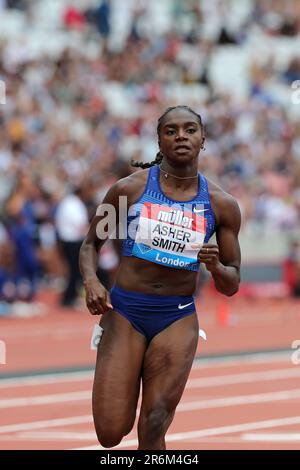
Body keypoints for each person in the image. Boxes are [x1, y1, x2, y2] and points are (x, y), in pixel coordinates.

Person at [79, 105, 241, 450]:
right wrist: (92, 281)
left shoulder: (221, 205)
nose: (181, 136)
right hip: (125, 312)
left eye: (190, 130)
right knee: (109, 433)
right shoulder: (128, 191)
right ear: (159, 140)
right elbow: (90, 244)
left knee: (154, 422)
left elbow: (232, 283)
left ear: (203, 140)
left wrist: (215, 268)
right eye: (171, 131)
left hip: (177, 315)